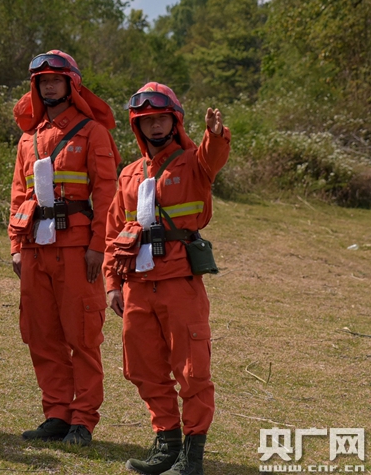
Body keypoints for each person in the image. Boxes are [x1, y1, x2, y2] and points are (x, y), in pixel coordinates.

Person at [104, 82, 230, 475]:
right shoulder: (129, 174)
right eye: (147, 121)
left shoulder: (195, 162)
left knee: (191, 370)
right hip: (138, 285)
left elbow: (214, 156)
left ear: (174, 122)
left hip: (180, 283)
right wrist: (112, 284)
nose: (155, 127)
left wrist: (214, 133)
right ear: (137, 126)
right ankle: (166, 444)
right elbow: (113, 233)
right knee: (142, 367)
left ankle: (191, 457)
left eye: (162, 119)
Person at [8, 50, 120, 446]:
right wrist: (16, 247)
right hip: (35, 248)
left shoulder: (94, 132)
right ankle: (55, 413)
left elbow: (108, 194)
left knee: (82, 335)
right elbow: (18, 194)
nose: (49, 85)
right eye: (42, 81)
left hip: (76, 248)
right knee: (41, 334)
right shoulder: (28, 137)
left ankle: (83, 419)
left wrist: (98, 247)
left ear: (72, 84)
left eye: (56, 79)